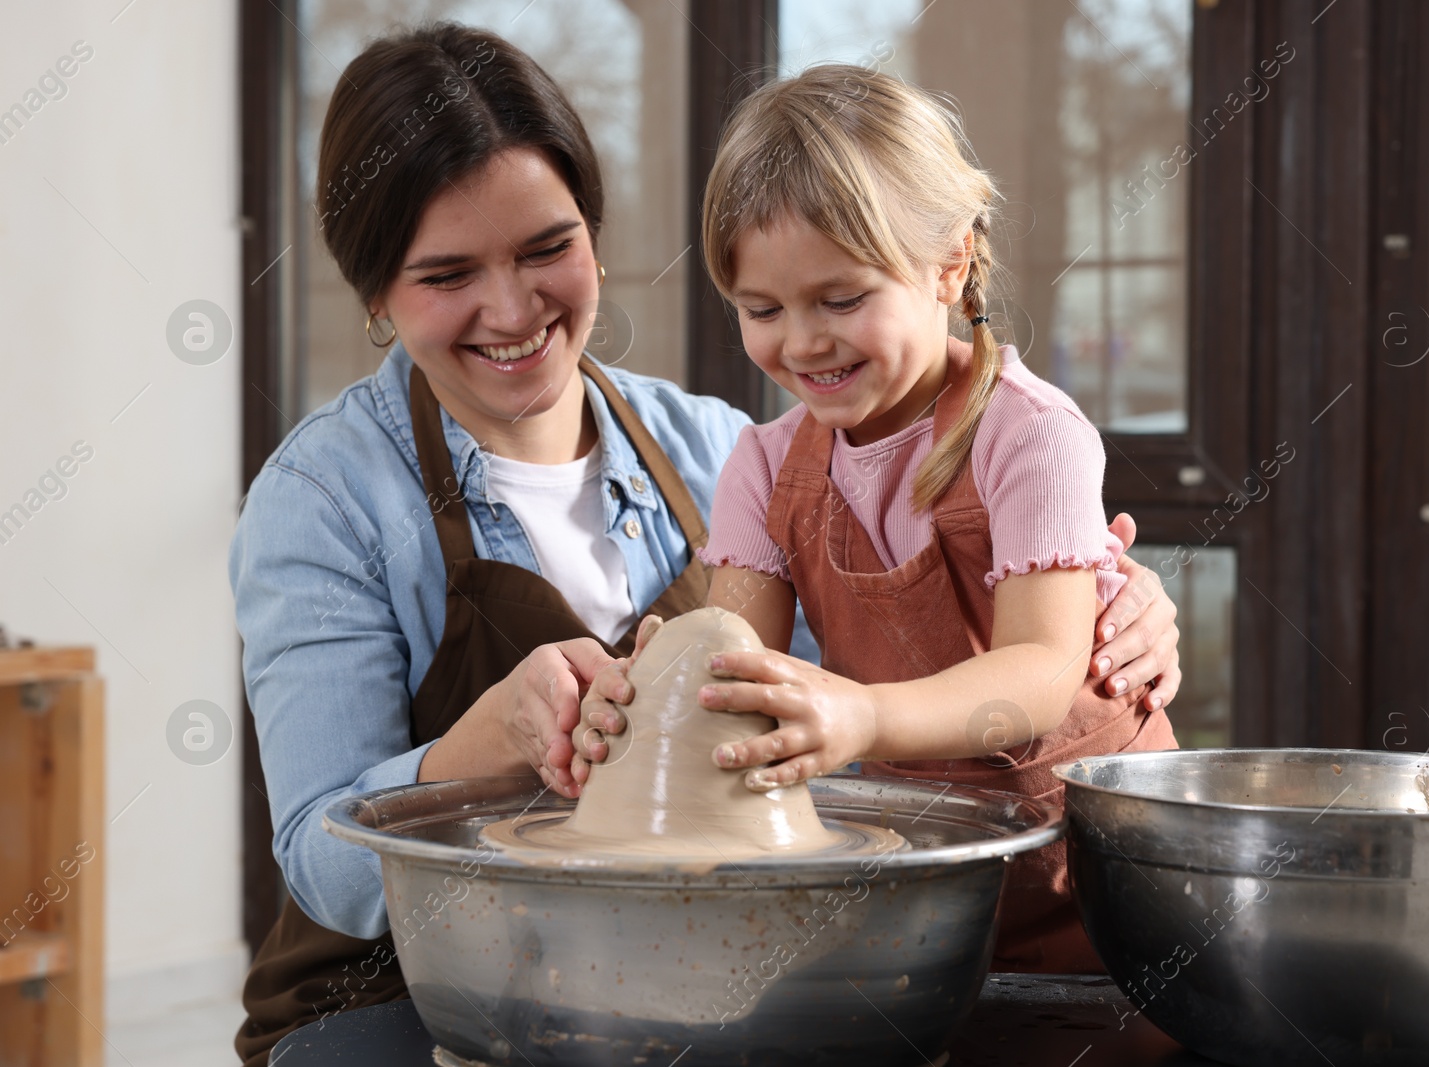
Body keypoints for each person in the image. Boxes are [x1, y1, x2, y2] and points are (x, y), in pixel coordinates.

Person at [229, 25, 1182, 1063]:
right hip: (428, 987)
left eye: (547, 248)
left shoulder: (714, 445)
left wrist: (1100, 624)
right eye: (447, 273)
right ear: (374, 293)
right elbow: (324, 869)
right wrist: (490, 736)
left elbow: (849, 699)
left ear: (594, 235)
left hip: (706, 958)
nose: (512, 307)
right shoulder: (326, 500)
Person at [574, 65, 1178, 975]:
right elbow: (734, 670)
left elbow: (1040, 675)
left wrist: (859, 715)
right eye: (762, 309)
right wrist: (645, 697)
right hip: (929, 884)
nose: (804, 341)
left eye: (842, 299)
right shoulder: (766, 465)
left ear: (952, 264)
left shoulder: (1032, 434)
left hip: (1106, 880)